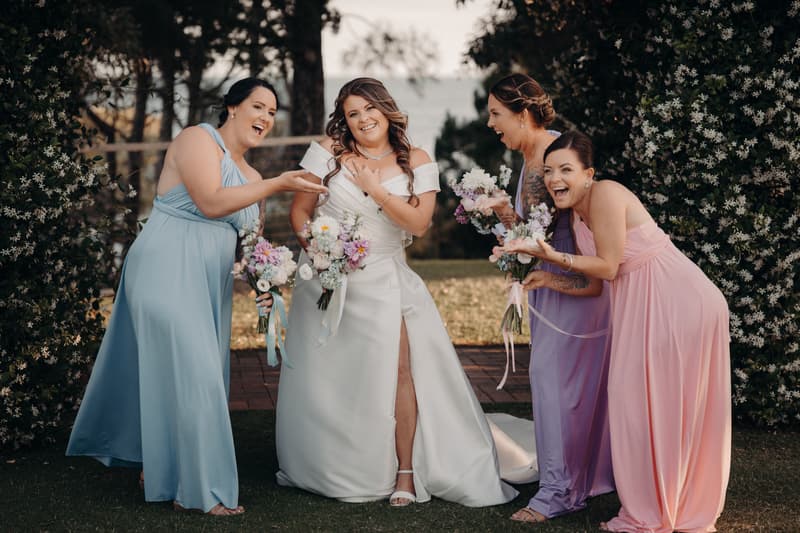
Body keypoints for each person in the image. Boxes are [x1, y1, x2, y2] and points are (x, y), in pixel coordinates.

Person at [66, 78, 327, 515]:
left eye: (271, 112)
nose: (265, 117)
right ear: (232, 107)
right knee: (196, 373)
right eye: (258, 106)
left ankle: (162, 465)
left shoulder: (253, 177)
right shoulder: (198, 140)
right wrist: (278, 184)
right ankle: (204, 492)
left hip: (209, 283)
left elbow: (250, 244)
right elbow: (210, 202)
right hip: (164, 267)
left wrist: (265, 280)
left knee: (187, 372)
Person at [274, 77, 519, 507]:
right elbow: (300, 210)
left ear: (386, 110)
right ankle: (332, 463)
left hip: (385, 280)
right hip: (327, 279)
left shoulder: (417, 160)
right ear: (344, 120)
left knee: (399, 371)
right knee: (331, 375)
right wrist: (318, 252)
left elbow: (418, 224)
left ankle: (405, 470)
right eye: (352, 113)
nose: (363, 119)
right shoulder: (327, 151)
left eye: (369, 109)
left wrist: (374, 189)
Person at [503, 131, 732, 532]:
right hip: (644, 304)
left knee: (657, 404)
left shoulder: (606, 194)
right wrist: (548, 278)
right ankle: (661, 503)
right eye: (549, 171)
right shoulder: (577, 217)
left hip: (677, 301)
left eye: (566, 170)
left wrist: (551, 254)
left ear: (588, 174)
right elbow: (594, 285)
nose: (555, 179)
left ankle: (659, 510)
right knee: (636, 404)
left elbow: (608, 266)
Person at [487, 73, 615, 523]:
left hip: (571, 284)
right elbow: (532, 231)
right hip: (550, 282)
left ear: (522, 114)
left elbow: (557, 232)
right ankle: (580, 479)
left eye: (496, 114)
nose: (491, 124)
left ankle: (559, 492)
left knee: (557, 388)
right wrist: (502, 212)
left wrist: (514, 232)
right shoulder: (531, 158)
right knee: (562, 388)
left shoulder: (552, 155)